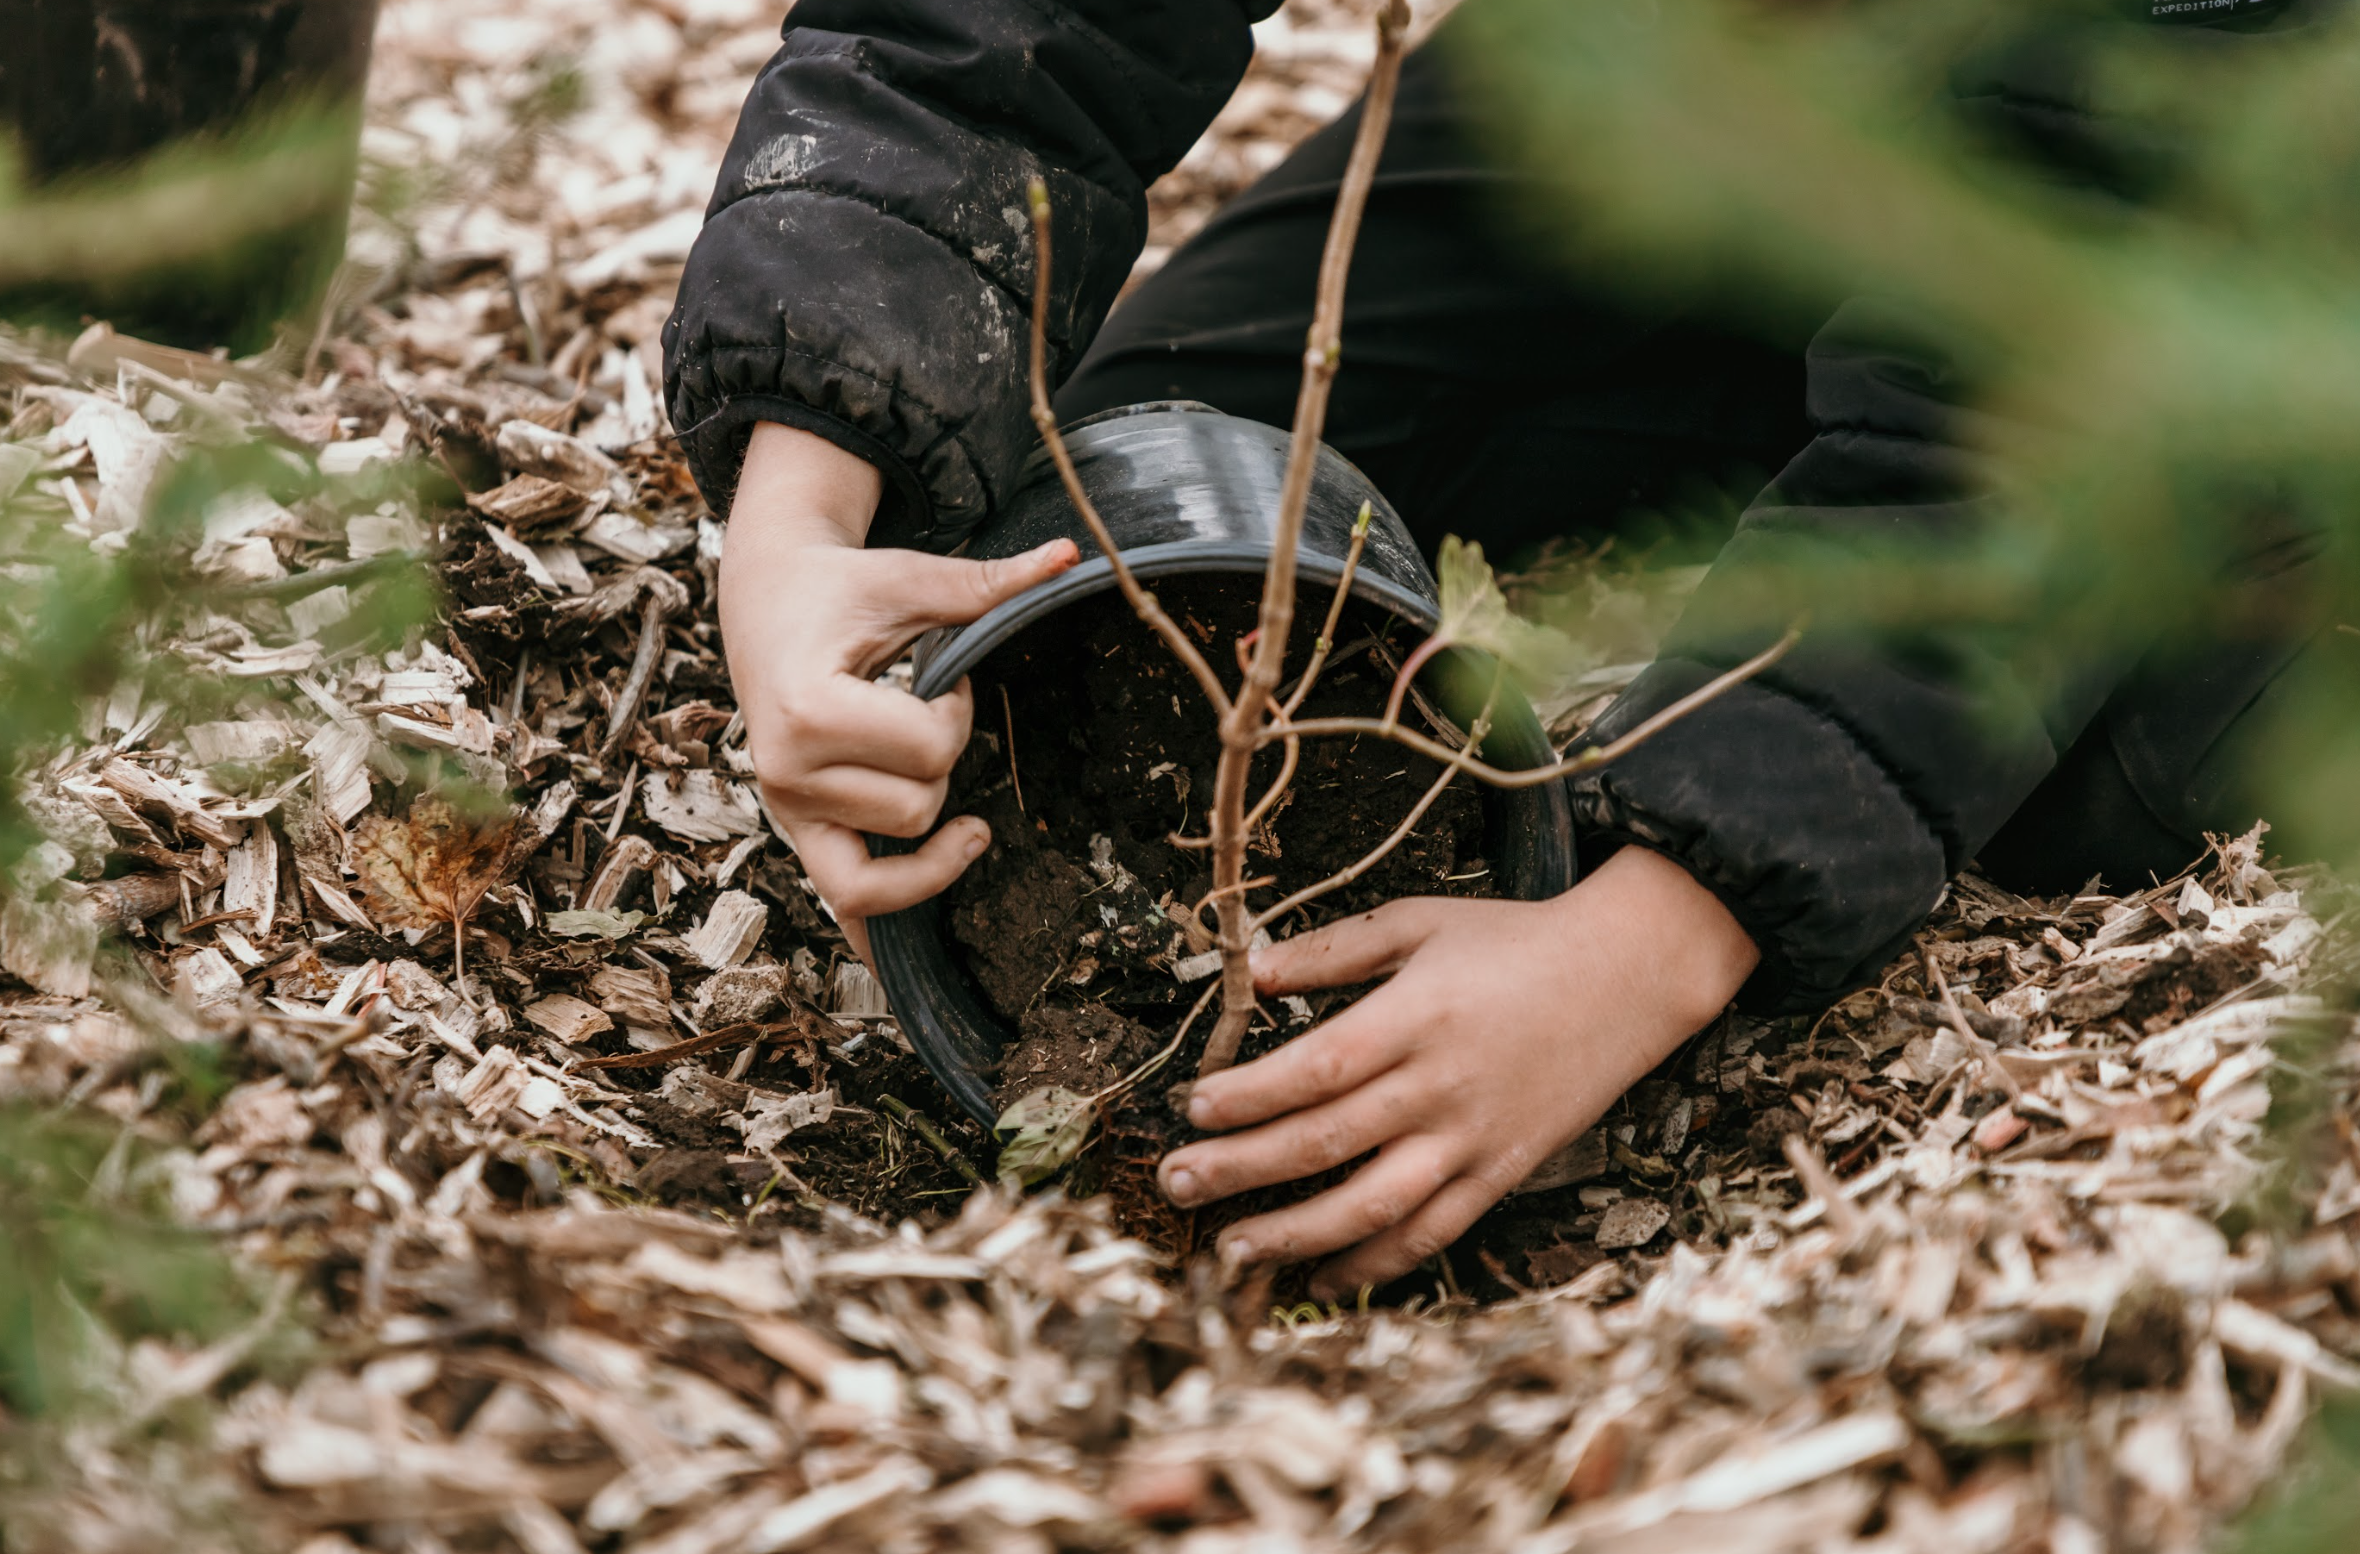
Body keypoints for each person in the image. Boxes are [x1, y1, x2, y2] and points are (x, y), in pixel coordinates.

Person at [664, 1, 2338, 1299]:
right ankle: (1819, 418)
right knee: (1165, 486)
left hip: (2231, 163)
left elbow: (2088, 295)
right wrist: (795, 520)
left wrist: (1652, 938)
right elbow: (999, 36)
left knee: (2127, 761)